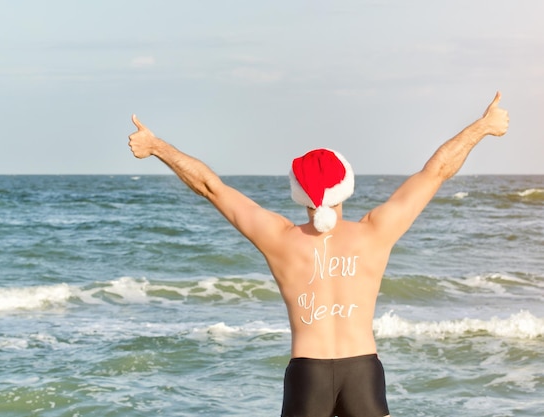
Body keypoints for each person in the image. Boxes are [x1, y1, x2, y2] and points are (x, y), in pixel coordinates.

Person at [127, 92, 509, 417]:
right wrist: (484, 126)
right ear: (346, 186)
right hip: (363, 371)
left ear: (300, 193)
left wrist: (157, 146)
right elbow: (437, 171)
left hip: (307, 374)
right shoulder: (376, 232)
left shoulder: (279, 239)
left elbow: (211, 187)